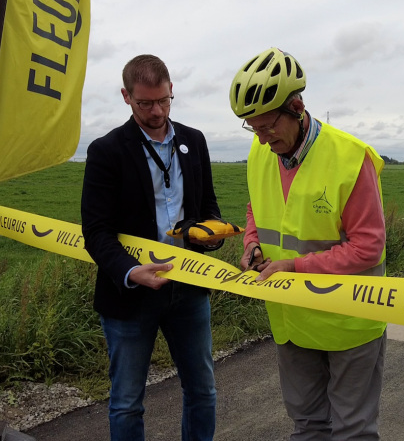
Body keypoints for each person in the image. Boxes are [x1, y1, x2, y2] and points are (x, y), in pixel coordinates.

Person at [229, 47, 387, 440]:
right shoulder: (260, 150)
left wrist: (294, 267)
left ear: (297, 107)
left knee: (353, 430)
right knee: (307, 426)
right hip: (292, 320)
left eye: (268, 127)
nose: (262, 139)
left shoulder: (350, 158)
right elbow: (256, 207)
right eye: (253, 129)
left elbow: (369, 247)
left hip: (348, 321)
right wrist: (251, 243)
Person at [81, 54, 222, 441]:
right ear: (126, 97)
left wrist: (206, 232)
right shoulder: (106, 150)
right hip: (129, 295)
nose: (157, 111)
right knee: (127, 403)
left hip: (189, 289)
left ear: (172, 90)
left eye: (163, 100)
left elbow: (208, 206)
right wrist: (130, 272)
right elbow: (95, 231)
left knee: (203, 391)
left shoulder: (194, 141)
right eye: (145, 103)